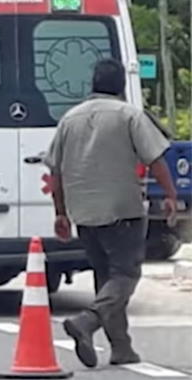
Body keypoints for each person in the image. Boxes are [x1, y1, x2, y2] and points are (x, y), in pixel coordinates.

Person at [45, 58, 177, 368]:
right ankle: (88, 321)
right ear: (120, 85)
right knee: (126, 274)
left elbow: (56, 173)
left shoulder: (69, 119)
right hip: (122, 210)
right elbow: (156, 159)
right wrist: (170, 195)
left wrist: (60, 213)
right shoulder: (129, 115)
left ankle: (121, 347)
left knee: (105, 276)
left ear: (92, 83)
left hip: (83, 213)